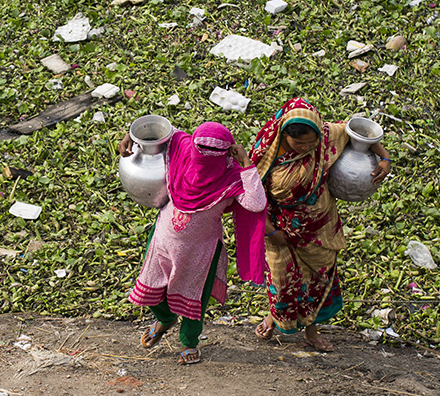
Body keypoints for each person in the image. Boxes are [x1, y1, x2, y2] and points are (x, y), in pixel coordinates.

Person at [248, 98, 390, 351]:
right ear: (284, 134)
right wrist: (271, 231)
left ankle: (312, 332)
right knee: (282, 281)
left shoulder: (326, 135)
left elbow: (358, 133)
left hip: (321, 226)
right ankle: (275, 317)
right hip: (281, 231)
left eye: (311, 141)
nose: (307, 147)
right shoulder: (264, 157)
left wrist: (385, 158)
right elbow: (250, 197)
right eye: (298, 143)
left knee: (318, 280)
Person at [120, 122, 267, 365]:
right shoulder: (180, 147)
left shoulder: (231, 176)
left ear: (227, 152)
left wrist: (246, 163)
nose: (203, 160)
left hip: (201, 252)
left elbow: (256, 203)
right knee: (150, 289)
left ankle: (189, 342)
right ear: (193, 144)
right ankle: (165, 319)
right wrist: (131, 137)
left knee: (193, 298)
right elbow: (154, 128)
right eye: (199, 150)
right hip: (163, 241)